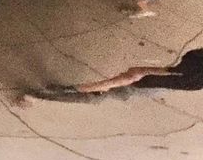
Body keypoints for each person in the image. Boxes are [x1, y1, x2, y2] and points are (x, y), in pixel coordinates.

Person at [27, 47, 203, 102]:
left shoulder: (193, 61)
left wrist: (141, 71)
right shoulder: (195, 76)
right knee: (101, 93)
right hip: (157, 86)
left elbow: (173, 73)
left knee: (95, 95)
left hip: (144, 84)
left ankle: (43, 96)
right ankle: (56, 92)